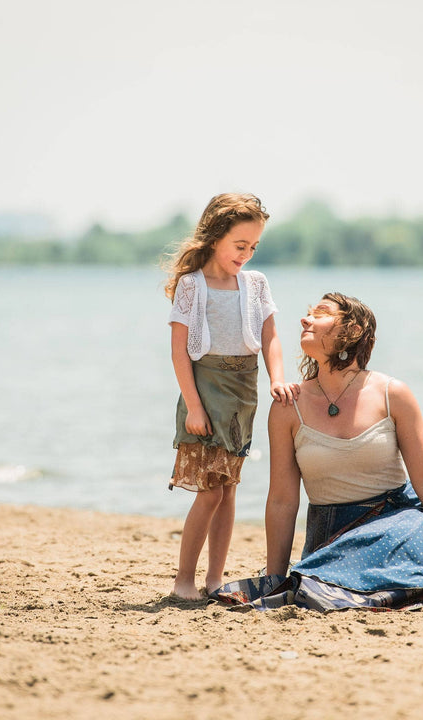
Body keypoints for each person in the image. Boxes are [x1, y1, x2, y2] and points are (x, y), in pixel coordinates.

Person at [212, 292, 423, 611]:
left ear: (353, 329)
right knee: (310, 590)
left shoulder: (393, 394)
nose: (305, 319)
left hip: (396, 519)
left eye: (320, 313)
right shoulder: (288, 407)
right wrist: (276, 575)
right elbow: (282, 499)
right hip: (333, 532)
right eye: (309, 313)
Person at [164, 193, 299, 600]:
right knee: (211, 491)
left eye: (253, 247)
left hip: (243, 394)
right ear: (215, 237)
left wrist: (277, 378)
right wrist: (193, 405)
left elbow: (270, 336)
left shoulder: (255, 284)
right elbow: (179, 351)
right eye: (240, 246)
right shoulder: (192, 286)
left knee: (228, 490)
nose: (247, 254)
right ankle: (184, 580)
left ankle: (214, 580)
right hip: (205, 393)